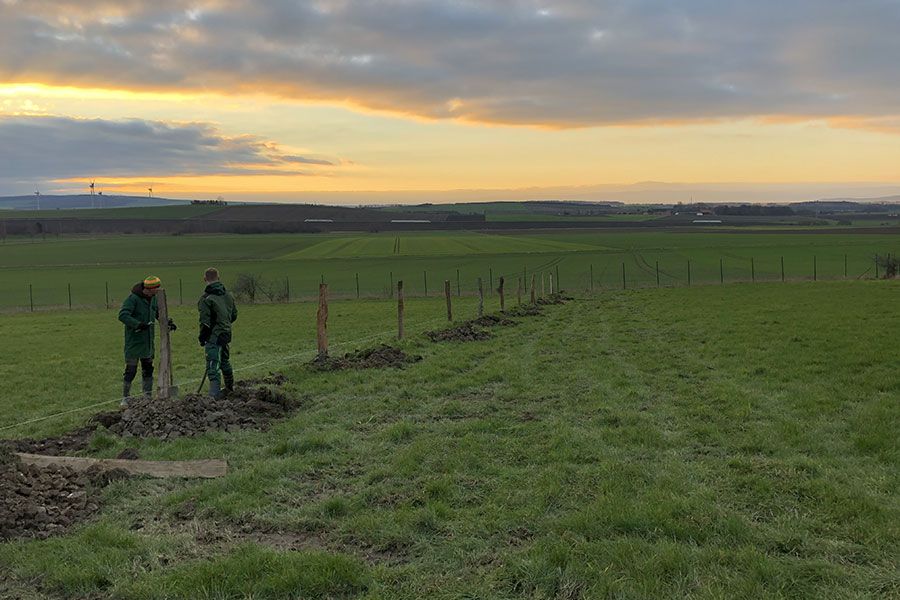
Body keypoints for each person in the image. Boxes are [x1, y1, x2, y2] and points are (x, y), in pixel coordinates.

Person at [117, 276, 176, 405]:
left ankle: (147, 397)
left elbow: (158, 314)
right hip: (134, 341)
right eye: (156, 288)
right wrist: (137, 324)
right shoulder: (133, 299)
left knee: (148, 368)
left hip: (148, 342)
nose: (158, 290)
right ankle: (125, 398)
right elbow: (123, 315)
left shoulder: (154, 299)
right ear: (149, 289)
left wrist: (168, 322)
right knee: (131, 370)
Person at [198, 268, 238, 399]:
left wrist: (202, 337)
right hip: (226, 333)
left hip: (213, 336)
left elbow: (205, 322)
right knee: (225, 361)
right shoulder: (228, 295)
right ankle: (229, 388)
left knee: (212, 364)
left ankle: (214, 395)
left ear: (205, 279)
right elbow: (234, 315)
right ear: (218, 278)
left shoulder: (206, 299)